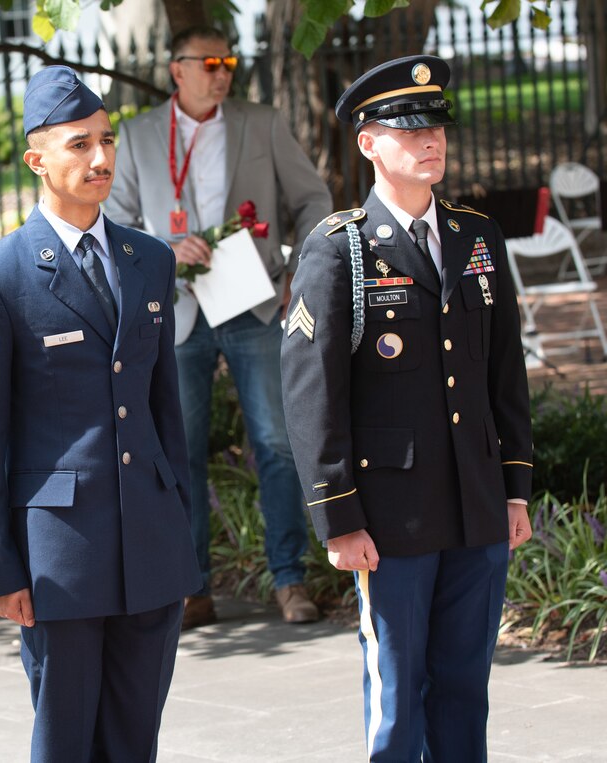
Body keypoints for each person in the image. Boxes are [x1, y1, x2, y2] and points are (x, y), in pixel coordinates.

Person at [280, 56, 533, 761]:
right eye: (410, 128)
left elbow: (504, 373)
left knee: (464, 689)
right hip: (391, 514)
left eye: (437, 127)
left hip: (476, 505)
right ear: (368, 143)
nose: (432, 141)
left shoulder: (476, 237)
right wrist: (338, 515)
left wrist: (515, 488)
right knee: (398, 694)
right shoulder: (341, 250)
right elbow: (311, 394)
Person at [0, 66, 201, 761]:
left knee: (134, 738)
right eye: (77, 144)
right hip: (60, 553)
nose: (99, 158)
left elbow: (162, 406)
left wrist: (179, 519)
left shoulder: (147, 259)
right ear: (37, 160)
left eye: (107, 140)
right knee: (65, 738)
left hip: (149, 540)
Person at [105, 25, 332, 628]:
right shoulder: (138, 134)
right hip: (177, 311)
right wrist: (161, 248)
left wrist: (301, 269)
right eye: (208, 62)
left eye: (227, 61)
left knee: (278, 446)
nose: (221, 71)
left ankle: (289, 580)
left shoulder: (262, 122)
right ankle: (193, 587)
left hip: (255, 303)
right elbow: (113, 222)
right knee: (179, 454)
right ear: (177, 70)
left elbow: (314, 200)